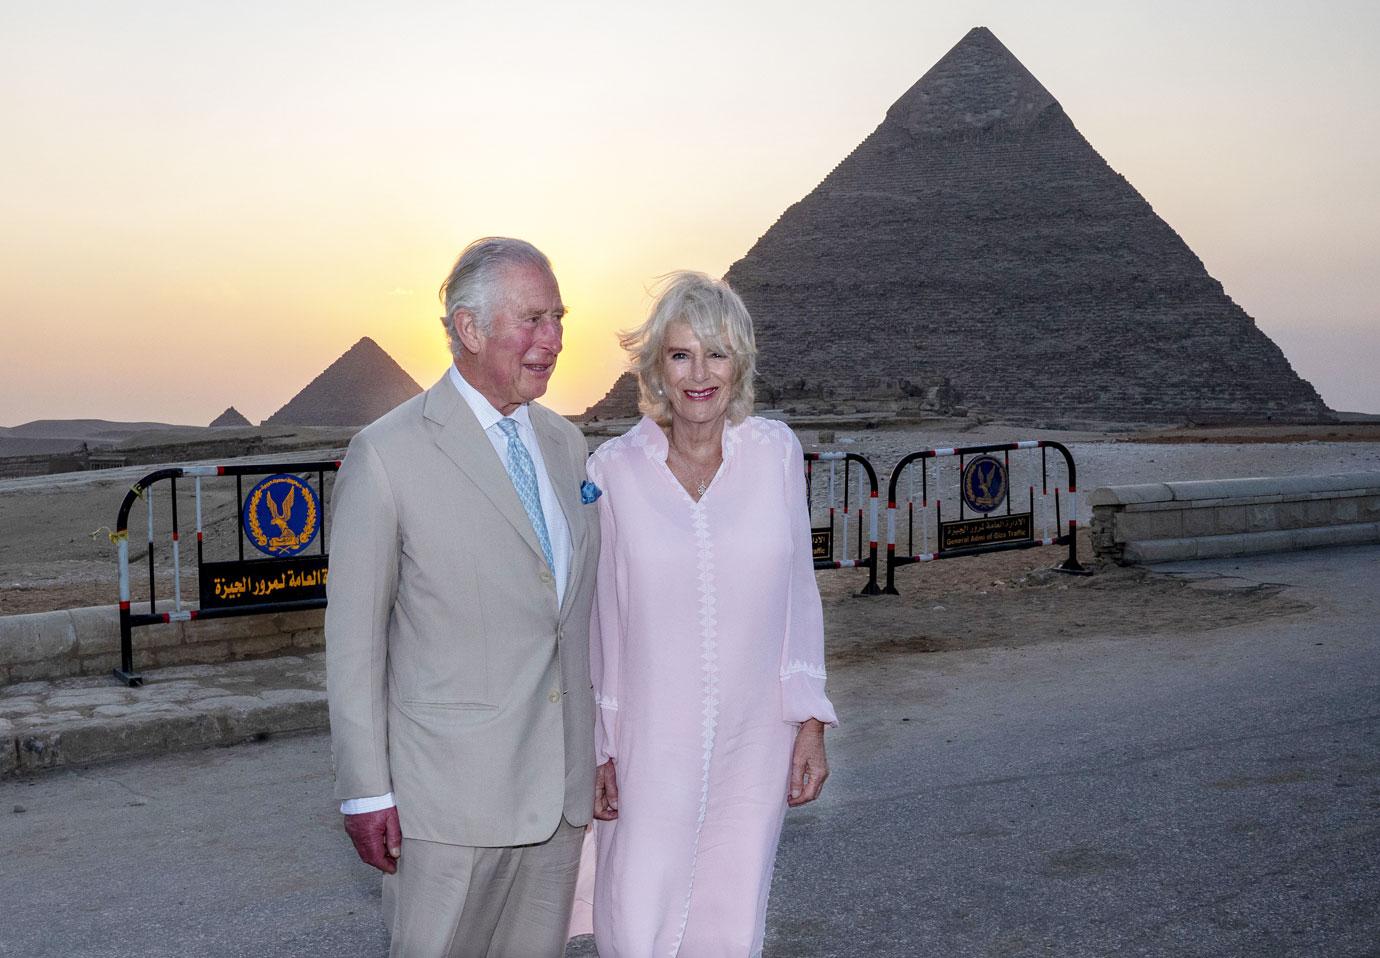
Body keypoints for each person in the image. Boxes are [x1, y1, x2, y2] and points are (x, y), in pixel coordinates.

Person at [325, 237, 600, 957]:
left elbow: (569, 618)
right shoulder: (387, 455)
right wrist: (364, 791)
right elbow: (353, 642)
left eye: (559, 318)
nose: (554, 340)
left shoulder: (566, 446)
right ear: (470, 329)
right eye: (534, 320)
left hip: (558, 801)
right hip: (446, 807)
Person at [586, 271, 837, 955]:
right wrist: (599, 747)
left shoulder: (775, 453)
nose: (700, 374)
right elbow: (602, 620)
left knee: (730, 920)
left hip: (753, 741)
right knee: (638, 923)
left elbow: (798, 595)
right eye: (680, 354)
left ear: (740, 365)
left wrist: (809, 720)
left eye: (717, 354)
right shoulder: (610, 471)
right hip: (647, 741)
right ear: (656, 368)